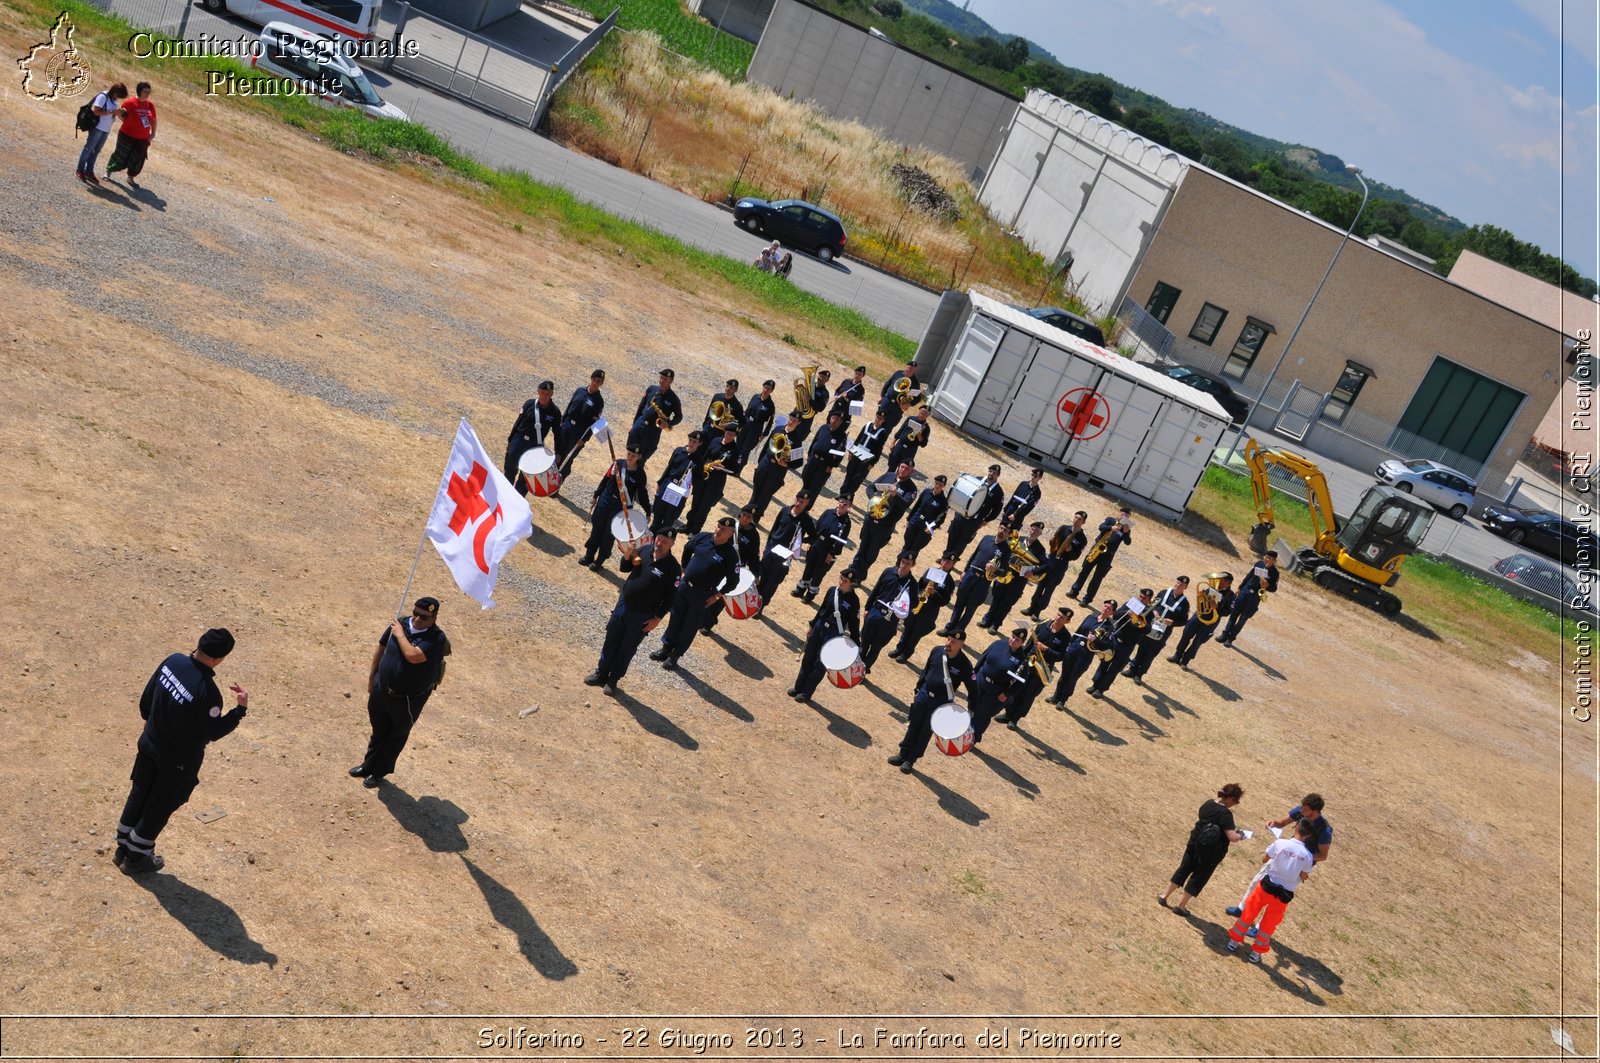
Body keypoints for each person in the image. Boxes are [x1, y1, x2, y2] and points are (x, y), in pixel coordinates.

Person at [114, 628, 248, 874]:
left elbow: (148, 696)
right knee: (160, 805)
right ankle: (136, 857)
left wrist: (148, 721)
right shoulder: (208, 694)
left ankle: (122, 846)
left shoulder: (172, 661)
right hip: (176, 762)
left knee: (139, 793)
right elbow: (213, 732)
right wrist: (239, 710)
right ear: (219, 659)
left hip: (149, 743)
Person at [351, 598, 450, 788]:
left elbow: (414, 656)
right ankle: (367, 765)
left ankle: (379, 773)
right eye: (416, 613)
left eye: (424, 616)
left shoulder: (436, 639)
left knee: (396, 736)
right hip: (382, 689)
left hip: (407, 700)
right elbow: (381, 647)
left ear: (434, 618)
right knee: (378, 730)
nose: (418, 619)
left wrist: (400, 635)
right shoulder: (401, 623)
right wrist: (372, 678)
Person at [585, 530, 680, 695]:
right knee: (611, 640)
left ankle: (613, 679)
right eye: (659, 539)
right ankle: (601, 673)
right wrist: (628, 553)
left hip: (643, 615)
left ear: (672, 544)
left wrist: (657, 619)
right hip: (624, 605)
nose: (660, 543)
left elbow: (671, 598)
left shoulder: (673, 568)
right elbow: (624, 568)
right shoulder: (645, 550)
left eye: (665, 541)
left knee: (627, 648)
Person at [650, 517, 741, 669]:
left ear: (731, 534)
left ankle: (675, 656)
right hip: (685, 587)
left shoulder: (730, 555)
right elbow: (687, 548)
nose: (719, 530)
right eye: (718, 526)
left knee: (689, 626)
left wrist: (717, 596)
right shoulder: (703, 537)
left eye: (723, 529)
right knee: (675, 617)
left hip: (703, 595)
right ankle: (666, 648)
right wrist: (684, 568)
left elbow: (733, 581)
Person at [1226, 818, 1317, 963]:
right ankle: (1256, 952)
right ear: (1309, 835)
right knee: (1269, 923)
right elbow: (1304, 875)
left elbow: (1264, 859)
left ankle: (1234, 941)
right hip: (1284, 893)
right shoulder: (1308, 856)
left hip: (1267, 886)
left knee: (1249, 912)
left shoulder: (1280, 843)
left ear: (1296, 828)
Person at [1225, 794, 1333, 916]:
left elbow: (1323, 855)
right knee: (1258, 880)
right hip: (1283, 855)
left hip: (1298, 866)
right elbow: (1282, 822)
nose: (1301, 811)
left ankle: (1259, 928)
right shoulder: (1300, 811)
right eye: (1302, 807)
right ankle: (1242, 908)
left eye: (1305, 809)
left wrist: (1303, 856)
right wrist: (1273, 823)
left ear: (1315, 811)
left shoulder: (1324, 830)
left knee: (1279, 896)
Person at [887, 631, 973, 774]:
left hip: (940, 703)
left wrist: (970, 711)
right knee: (914, 725)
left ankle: (911, 760)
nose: (949, 643)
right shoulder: (937, 651)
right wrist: (918, 688)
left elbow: (973, 689)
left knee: (925, 732)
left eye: (953, 642)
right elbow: (926, 670)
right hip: (924, 695)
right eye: (949, 639)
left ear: (961, 645)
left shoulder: (964, 664)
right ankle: (903, 754)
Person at [1158, 783, 1245, 915]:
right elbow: (1232, 837)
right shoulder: (1225, 814)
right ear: (1230, 798)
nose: (1235, 803)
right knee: (1199, 876)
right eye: (1236, 800)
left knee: (1184, 868)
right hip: (1210, 851)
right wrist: (1241, 835)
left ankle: (1164, 895)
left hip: (1194, 842)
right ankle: (1181, 906)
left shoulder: (1208, 803)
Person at [788, 569, 862, 702]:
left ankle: (806, 692)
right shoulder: (832, 591)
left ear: (851, 584)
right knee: (808, 658)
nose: (841, 582)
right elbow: (822, 609)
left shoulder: (853, 601)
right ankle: (798, 687)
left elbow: (854, 624)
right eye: (841, 578)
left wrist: (856, 642)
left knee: (820, 664)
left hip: (833, 633)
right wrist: (812, 625)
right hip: (820, 626)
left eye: (845, 581)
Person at [579, 445, 650, 570]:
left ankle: (599, 560)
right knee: (597, 528)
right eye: (629, 454)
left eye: (633, 455)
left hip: (621, 507)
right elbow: (605, 479)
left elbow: (642, 494)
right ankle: (589, 555)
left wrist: (648, 511)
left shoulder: (640, 474)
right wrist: (596, 495)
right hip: (606, 499)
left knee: (609, 534)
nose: (630, 457)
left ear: (639, 457)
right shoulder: (617, 464)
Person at [976, 520, 1045, 633]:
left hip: (1019, 580)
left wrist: (1033, 572)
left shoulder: (1040, 549)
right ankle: (987, 619)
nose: (1034, 532)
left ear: (1040, 534)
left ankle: (996, 624)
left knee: (1007, 602)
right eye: (1033, 529)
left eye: (1037, 531)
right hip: (1005, 572)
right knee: (996, 596)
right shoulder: (1017, 540)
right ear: (1029, 529)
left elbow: (1046, 565)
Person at [1046, 599, 1117, 706]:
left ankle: (1062, 700)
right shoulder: (1090, 617)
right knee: (1064, 675)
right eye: (1105, 606)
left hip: (1085, 655)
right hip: (1073, 649)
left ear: (1112, 613)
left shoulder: (1109, 627)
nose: (1106, 609)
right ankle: (1056, 696)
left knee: (1073, 677)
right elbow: (1078, 631)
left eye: (1109, 609)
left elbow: (1108, 645)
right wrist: (1069, 645)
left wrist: (1095, 640)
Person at [889, 553, 959, 662]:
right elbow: (920, 584)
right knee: (908, 627)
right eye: (944, 561)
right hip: (917, 605)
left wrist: (935, 593)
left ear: (952, 565)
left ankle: (906, 653)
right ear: (941, 561)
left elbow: (945, 601)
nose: (945, 564)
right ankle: (899, 649)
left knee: (916, 632)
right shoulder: (930, 571)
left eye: (949, 563)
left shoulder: (949, 582)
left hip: (929, 611)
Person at [1086, 588, 1155, 698]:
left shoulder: (1149, 614)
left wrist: (1140, 621)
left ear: (1149, 600)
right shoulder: (1130, 604)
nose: (1141, 599)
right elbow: (1116, 615)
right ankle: (1095, 684)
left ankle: (1102, 689)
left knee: (1115, 668)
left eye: (1144, 598)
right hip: (1114, 639)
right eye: (1140, 596)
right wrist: (1128, 613)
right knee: (1104, 661)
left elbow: (1147, 630)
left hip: (1127, 645)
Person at [701, 508, 761, 634]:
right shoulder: (731, 527)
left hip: (734, 567)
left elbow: (753, 557)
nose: (745, 518)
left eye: (748, 516)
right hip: (719, 562)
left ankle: (708, 623)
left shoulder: (754, 535)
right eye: (744, 515)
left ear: (752, 519)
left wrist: (756, 573)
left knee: (722, 597)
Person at [851, 462, 917, 575]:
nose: (903, 470)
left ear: (911, 472)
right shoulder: (888, 476)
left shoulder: (911, 488)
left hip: (885, 525)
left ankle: (861, 574)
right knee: (863, 545)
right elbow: (871, 487)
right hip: (871, 517)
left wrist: (896, 495)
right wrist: (874, 499)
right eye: (902, 467)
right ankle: (853, 569)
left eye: (907, 469)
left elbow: (906, 504)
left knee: (872, 550)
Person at [968, 627, 1028, 745]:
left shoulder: (1022, 661)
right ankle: (963, 732)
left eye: (1017, 640)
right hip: (981, 681)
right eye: (1012, 637)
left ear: (1022, 642)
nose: (1013, 640)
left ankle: (973, 738)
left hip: (995, 692)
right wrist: (974, 674)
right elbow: (983, 658)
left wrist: (1007, 694)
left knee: (982, 715)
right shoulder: (998, 644)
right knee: (972, 707)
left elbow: (1021, 683)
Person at [1124, 576, 1190, 682]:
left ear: (1185, 588)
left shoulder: (1185, 603)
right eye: (1178, 582)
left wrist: (1172, 622)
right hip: (1150, 624)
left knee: (1152, 652)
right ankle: (1132, 669)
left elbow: (1183, 620)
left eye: (1182, 585)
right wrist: (1153, 611)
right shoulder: (1164, 592)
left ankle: (1139, 674)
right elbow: (1152, 603)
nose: (1179, 585)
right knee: (1142, 646)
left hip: (1164, 630)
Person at [1022, 512, 1088, 618]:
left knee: (1049, 589)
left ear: (1083, 522)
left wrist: (1070, 550)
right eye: (1075, 517)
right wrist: (1052, 542)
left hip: (1061, 564)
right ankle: (1031, 607)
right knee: (1040, 585)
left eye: (1079, 519)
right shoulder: (1064, 528)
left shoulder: (1082, 539)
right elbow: (1054, 542)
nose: (1076, 520)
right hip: (1051, 560)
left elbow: (1076, 556)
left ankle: (1037, 612)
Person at [682, 423, 745, 535]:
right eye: (727, 433)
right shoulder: (715, 441)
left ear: (735, 436)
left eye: (732, 435)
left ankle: (695, 530)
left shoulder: (735, 451)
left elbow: (736, 470)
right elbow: (706, 456)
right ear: (724, 431)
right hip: (704, 476)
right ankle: (688, 525)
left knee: (704, 507)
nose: (729, 436)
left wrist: (723, 468)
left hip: (716, 482)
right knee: (696, 502)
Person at [859, 554, 917, 672]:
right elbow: (876, 590)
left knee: (876, 648)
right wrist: (867, 608)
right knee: (864, 644)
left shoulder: (912, 583)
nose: (904, 565)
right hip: (875, 612)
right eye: (903, 562)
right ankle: (855, 669)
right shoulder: (888, 572)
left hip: (891, 619)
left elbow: (914, 603)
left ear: (913, 565)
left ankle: (863, 671)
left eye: (908, 564)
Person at [504, 380, 561, 497]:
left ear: (552, 394)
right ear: (538, 392)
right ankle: (504, 498)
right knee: (509, 471)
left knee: (525, 479)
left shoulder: (555, 412)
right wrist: (510, 440)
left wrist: (558, 452)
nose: (544, 396)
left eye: (547, 394)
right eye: (542, 393)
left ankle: (517, 501)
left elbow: (558, 434)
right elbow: (518, 422)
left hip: (533, 447)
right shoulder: (529, 404)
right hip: (518, 441)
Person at [757, 492, 815, 604]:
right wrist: (767, 547)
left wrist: (800, 542)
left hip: (785, 553)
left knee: (773, 581)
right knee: (762, 575)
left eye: (802, 502)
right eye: (797, 500)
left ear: (807, 503)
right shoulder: (785, 511)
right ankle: (752, 601)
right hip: (772, 548)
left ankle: (761, 604)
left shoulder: (806, 519)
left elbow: (814, 537)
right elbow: (774, 528)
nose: (798, 503)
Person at [795, 495, 853, 602]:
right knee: (809, 567)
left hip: (828, 551)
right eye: (841, 502)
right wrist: (811, 542)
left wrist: (832, 553)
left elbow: (841, 541)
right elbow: (817, 527)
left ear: (849, 507)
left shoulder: (846, 522)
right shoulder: (828, 513)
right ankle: (800, 589)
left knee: (818, 573)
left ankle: (810, 595)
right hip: (817, 544)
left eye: (846, 504)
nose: (842, 505)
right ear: (838, 502)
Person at [1169, 574, 1234, 668]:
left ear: (1228, 583)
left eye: (1222, 580)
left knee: (1197, 642)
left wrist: (1216, 607)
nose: (1219, 581)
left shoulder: (1230, 596)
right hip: (1199, 616)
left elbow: (1227, 612)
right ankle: (1177, 655)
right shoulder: (1212, 589)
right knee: (1186, 634)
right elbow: (1201, 602)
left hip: (1211, 622)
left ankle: (1185, 661)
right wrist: (1201, 596)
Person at [747, 413, 800, 523]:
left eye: (794, 421)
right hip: (766, 463)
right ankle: (747, 513)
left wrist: (787, 464)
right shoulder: (778, 429)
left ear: (798, 423)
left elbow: (798, 462)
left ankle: (755, 518)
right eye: (790, 419)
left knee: (765, 494)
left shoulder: (797, 439)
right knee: (756, 489)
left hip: (778, 470)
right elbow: (767, 445)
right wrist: (760, 462)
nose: (791, 422)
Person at [1218, 551, 1279, 648]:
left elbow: (1274, 588)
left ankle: (1230, 638)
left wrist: (1267, 586)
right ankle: (1224, 634)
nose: (1266, 560)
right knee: (1234, 613)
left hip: (1255, 596)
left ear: (1274, 561)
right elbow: (1249, 576)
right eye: (1266, 557)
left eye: (1269, 559)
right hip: (1245, 591)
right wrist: (1240, 587)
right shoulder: (1259, 564)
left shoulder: (1275, 573)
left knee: (1243, 618)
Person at [1071, 508, 1131, 605]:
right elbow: (1101, 527)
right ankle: (1074, 590)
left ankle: (1087, 599)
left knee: (1097, 578)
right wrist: (1111, 528)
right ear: (1119, 514)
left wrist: (1126, 533)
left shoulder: (1126, 529)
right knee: (1084, 571)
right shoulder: (1110, 520)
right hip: (1097, 550)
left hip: (1107, 556)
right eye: (1123, 515)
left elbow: (1128, 542)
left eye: (1127, 517)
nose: (1124, 518)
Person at [650, 430, 705, 533]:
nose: (692, 443)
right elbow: (669, 467)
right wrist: (660, 482)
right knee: (656, 520)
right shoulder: (679, 451)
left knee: (668, 522)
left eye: (695, 442)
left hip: (680, 491)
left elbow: (698, 481)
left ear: (699, 444)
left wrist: (694, 472)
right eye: (691, 440)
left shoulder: (699, 460)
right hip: (668, 484)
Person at [944, 465, 1005, 559]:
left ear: (998, 475)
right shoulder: (978, 480)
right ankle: (945, 557)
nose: (991, 474)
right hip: (961, 514)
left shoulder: (998, 492)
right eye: (990, 471)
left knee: (962, 541)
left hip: (974, 521)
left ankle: (951, 560)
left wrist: (986, 520)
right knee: (952, 535)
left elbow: (996, 510)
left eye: (994, 473)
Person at [105, 81, 155, 186]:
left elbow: (154, 119)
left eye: (149, 92)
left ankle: (130, 178)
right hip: (127, 135)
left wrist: (153, 133)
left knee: (138, 159)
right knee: (120, 155)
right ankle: (108, 172)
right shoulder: (130, 102)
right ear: (139, 91)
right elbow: (121, 114)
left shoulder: (150, 105)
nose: (147, 94)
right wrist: (128, 121)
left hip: (143, 138)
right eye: (145, 91)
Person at [76, 82, 127, 185]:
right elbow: (96, 112)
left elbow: (114, 114)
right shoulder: (103, 96)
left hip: (106, 129)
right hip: (97, 128)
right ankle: (80, 170)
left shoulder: (113, 99)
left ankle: (89, 171)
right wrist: (112, 112)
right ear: (115, 91)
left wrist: (119, 112)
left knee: (96, 151)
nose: (118, 98)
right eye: (119, 95)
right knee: (88, 149)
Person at [628, 368, 683, 462]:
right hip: (640, 425)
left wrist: (668, 423)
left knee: (641, 459)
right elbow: (641, 407)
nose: (662, 381)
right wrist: (634, 425)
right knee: (630, 453)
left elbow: (679, 417)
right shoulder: (652, 389)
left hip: (652, 431)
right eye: (661, 378)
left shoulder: (674, 399)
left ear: (671, 381)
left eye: (665, 379)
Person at [838, 409, 891, 500]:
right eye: (877, 417)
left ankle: (848, 496)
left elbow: (879, 449)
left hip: (867, 459)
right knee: (849, 473)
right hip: (857, 453)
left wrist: (873, 463)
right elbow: (858, 439)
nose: (878, 420)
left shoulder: (882, 433)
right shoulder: (867, 425)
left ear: (883, 420)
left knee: (857, 478)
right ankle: (842, 493)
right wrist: (851, 451)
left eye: (880, 419)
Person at [557, 370, 606, 467]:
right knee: (557, 454)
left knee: (566, 461)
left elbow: (594, 423)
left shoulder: (599, 401)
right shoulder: (580, 391)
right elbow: (569, 406)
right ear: (591, 378)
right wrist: (562, 421)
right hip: (566, 426)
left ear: (601, 383)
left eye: (598, 381)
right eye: (594, 379)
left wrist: (584, 439)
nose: (595, 383)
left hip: (577, 433)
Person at [799, 411, 848, 502]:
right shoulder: (823, 428)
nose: (834, 421)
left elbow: (840, 453)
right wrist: (809, 455)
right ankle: (799, 501)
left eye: (837, 420)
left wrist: (831, 465)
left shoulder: (842, 435)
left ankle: (806, 508)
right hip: (813, 460)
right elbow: (815, 441)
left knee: (814, 488)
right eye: (833, 418)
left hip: (823, 466)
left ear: (840, 422)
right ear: (830, 418)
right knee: (806, 481)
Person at [900, 475, 950, 560]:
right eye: (937, 483)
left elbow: (940, 519)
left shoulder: (943, 501)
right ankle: (899, 563)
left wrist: (932, 527)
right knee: (907, 544)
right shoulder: (926, 492)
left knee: (915, 548)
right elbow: (917, 505)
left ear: (943, 487)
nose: (937, 486)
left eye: (940, 485)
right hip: (916, 520)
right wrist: (909, 518)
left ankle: (909, 564)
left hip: (926, 527)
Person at [736, 380, 777, 467]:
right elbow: (747, 410)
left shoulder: (770, 405)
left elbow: (770, 422)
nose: (766, 390)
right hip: (746, 423)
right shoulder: (755, 397)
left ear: (772, 391)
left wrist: (764, 434)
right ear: (763, 387)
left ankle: (738, 469)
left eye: (769, 389)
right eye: (765, 387)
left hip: (756, 428)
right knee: (738, 444)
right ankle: (732, 464)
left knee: (745, 450)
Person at [790, 368, 831, 447]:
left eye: (825, 378)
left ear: (827, 380)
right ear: (818, 376)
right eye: (821, 376)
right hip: (797, 412)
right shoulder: (809, 385)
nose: (822, 379)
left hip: (807, 419)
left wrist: (810, 400)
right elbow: (800, 396)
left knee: (798, 440)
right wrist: (799, 389)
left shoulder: (825, 393)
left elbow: (820, 408)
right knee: (788, 431)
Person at [884, 405, 931, 472]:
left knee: (902, 471)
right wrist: (893, 442)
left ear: (927, 416)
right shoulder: (910, 418)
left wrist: (919, 434)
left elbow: (923, 444)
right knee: (891, 467)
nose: (922, 415)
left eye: (925, 414)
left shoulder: (926, 428)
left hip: (910, 450)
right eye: (921, 412)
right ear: (919, 411)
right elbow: (901, 430)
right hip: (900, 445)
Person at [877, 361, 919, 431]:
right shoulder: (898, 373)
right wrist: (882, 397)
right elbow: (888, 384)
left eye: (912, 369)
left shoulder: (915, 383)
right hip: (887, 402)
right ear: (906, 367)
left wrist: (909, 404)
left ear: (915, 371)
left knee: (887, 428)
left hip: (897, 408)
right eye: (908, 368)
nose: (909, 370)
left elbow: (918, 398)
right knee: (878, 421)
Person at [829, 365, 868, 433]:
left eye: (860, 374)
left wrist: (846, 399)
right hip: (835, 408)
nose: (857, 375)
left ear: (863, 376)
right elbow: (838, 390)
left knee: (838, 432)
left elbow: (856, 409)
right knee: (828, 427)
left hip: (844, 414)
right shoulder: (846, 381)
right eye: (856, 373)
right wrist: (836, 396)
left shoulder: (861, 390)